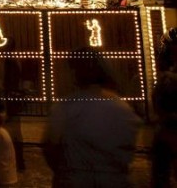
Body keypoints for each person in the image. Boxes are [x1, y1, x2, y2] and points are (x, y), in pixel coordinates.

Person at [42, 47, 142, 188]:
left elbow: (50, 147)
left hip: (74, 180)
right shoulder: (123, 109)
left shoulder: (65, 108)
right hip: (115, 181)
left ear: (75, 73)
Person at [151, 27, 177, 188]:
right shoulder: (167, 78)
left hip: (168, 132)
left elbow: (158, 104)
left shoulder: (167, 80)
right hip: (168, 130)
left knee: (161, 173)